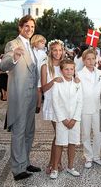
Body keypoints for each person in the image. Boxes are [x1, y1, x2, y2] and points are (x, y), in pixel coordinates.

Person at [0, 15, 41, 181]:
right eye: (26, 26)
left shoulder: (30, 46)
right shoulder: (13, 44)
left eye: (32, 27)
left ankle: (25, 162)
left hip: (31, 96)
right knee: (19, 131)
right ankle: (18, 170)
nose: (29, 29)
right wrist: (14, 57)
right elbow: (3, 65)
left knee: (29, 131)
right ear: (20, 27)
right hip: (19, 95)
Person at [50, 59, 83, 179]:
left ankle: (70, 166)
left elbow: (80, 102)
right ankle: (54, 168)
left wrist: (74, 119)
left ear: (74, 70)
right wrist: (63, 119)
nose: (69, 71)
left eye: (71, 69)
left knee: (72, 143)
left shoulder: (78, 84)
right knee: (60, 143)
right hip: (61, 119)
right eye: (66, 69)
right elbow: (55, 102)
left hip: (74, 119)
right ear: (61, 70)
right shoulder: (57, 84)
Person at [78, 48, 101, 168]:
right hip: (84, 108)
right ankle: (88, 157)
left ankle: (96, 156)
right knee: (85, 134)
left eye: (93, 58)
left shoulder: (99, 73)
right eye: (88, 59)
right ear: (84, 60)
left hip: (97, 107)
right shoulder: (79, 74)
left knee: (98, 133)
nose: (91, 61)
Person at [41, 39, 64, 174]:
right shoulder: (45, 66)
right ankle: (54, 163)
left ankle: (55, 162)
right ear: (50, 51)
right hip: (52, 103)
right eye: (55, 50)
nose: (58, 52)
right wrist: (53, 81)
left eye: (60, 50)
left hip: (64, 103)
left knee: (60, 135)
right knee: (59, 134)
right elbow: (43, 88)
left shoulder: (64, 65)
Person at [31, 34, 47, 112]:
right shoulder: (30, 51)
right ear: (36, 42)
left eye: (44, 43)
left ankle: (38, 105)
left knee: (39, 89)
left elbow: (45, 63)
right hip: (32, 73)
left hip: (40, 72)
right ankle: (32, 104)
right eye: (42, 43)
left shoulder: (43, 53)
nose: (44, 45)